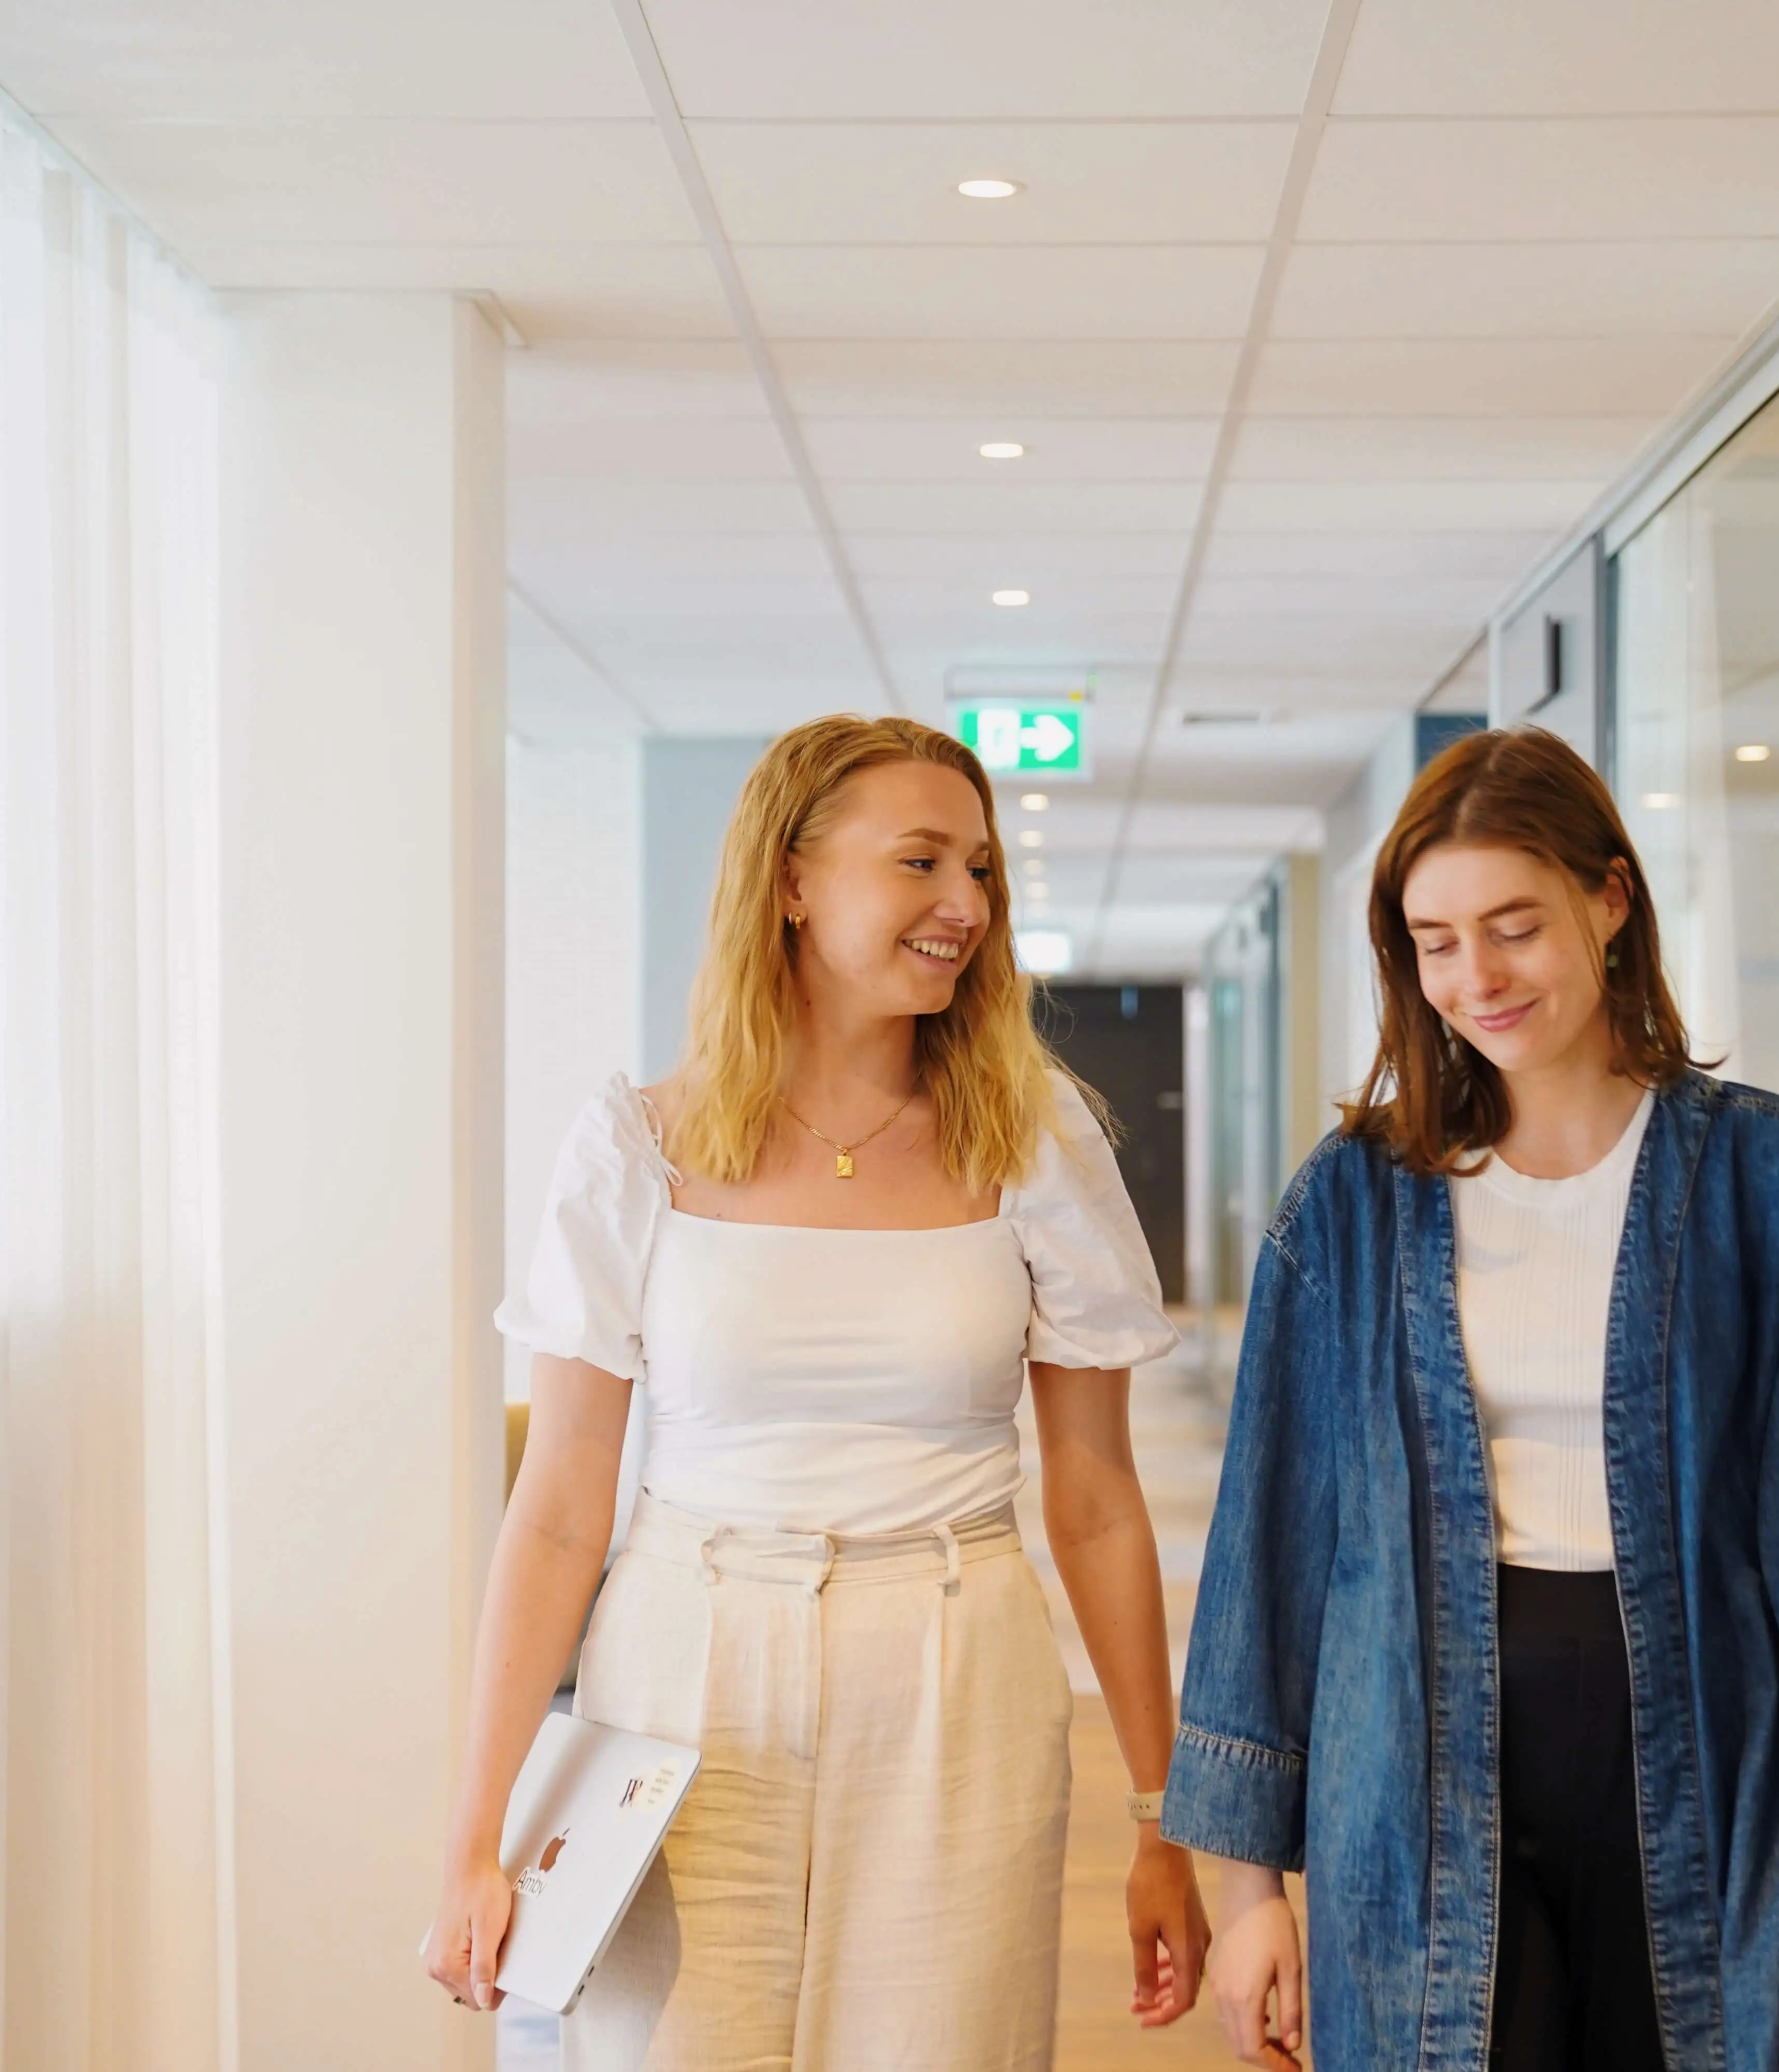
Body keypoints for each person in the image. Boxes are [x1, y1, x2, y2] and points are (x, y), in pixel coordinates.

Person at [1166, 728, 1779, 2072]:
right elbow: (1272, 1545)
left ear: (1610, 900)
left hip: (1716, 1767)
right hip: (1414, 1771)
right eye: (1434, 941)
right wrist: (1248, 1892)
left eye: (1513, 925)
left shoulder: (1778, 1186)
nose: (1474, 977)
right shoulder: (1353, 1203)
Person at [425, 714, 1210, 2069]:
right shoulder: (638, 1145)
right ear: (792, 882)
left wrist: (1161, 1814)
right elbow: (558, 1509)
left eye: (980, 872)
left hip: (956, 1672)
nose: (964, 904)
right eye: (919, 863)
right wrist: (480, 1827)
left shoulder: (1036, 1141)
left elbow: (1093, 1500)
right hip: (685, 1680)